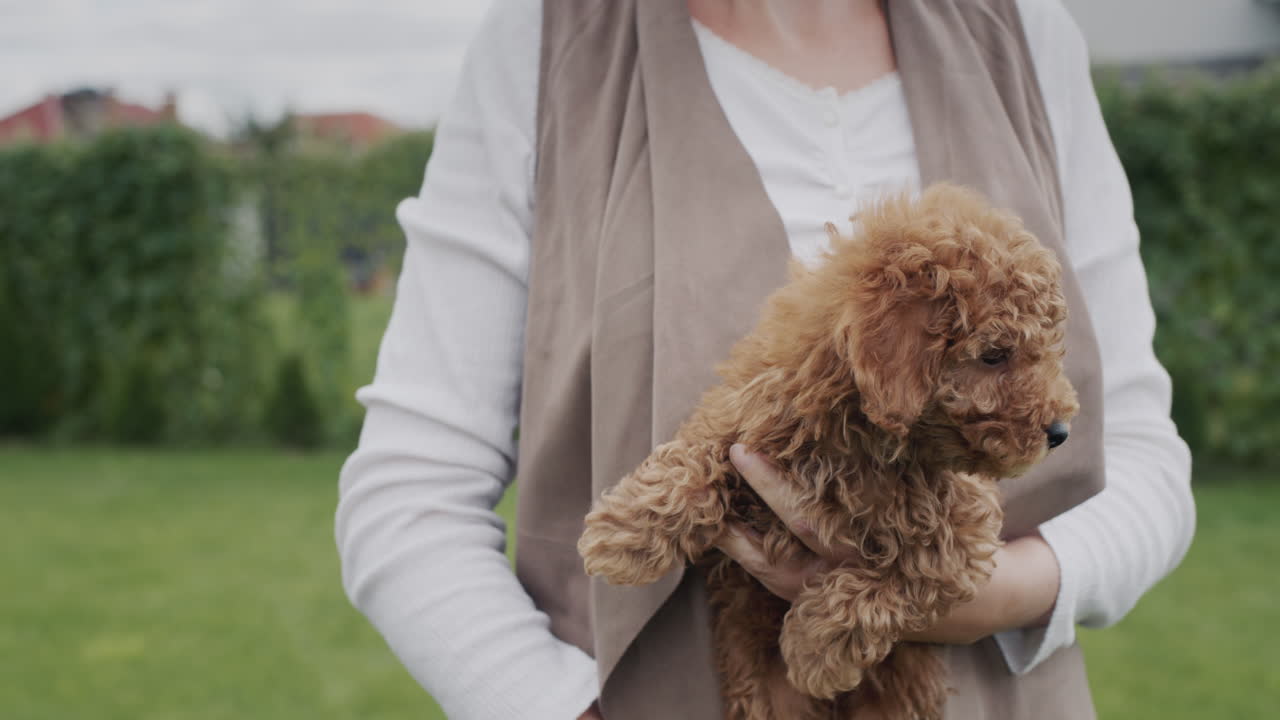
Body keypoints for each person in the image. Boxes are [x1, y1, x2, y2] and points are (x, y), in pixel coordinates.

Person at [335, 1, 1195, 718]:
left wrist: (999, 591)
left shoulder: (1024, 32)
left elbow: (1145, 462)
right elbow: (409, 491)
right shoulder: (548, 42)